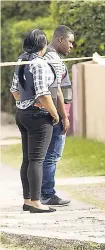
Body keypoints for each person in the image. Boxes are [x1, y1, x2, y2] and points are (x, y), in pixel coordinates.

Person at [10, 29, 59, 213]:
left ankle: (27, 200)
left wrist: (23, 103)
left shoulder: (21, 60)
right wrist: (54, 114)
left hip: (22, 114)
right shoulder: (39, 63)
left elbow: (14, 90)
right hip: (38, 117)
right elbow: (43, 94)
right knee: (37, 160)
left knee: (28, 160)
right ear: (42, 45)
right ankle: (36, 202)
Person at [41, 25, 75, 206]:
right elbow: (57, 90)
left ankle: (41, 193)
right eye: (70, 41)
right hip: (55, 113)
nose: (72, 46)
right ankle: (47, 194)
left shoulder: (46, 55)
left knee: (47, 155)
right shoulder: (53, 58)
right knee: (52, 155)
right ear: (60, 39)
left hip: (52, 112)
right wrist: (64, 116)